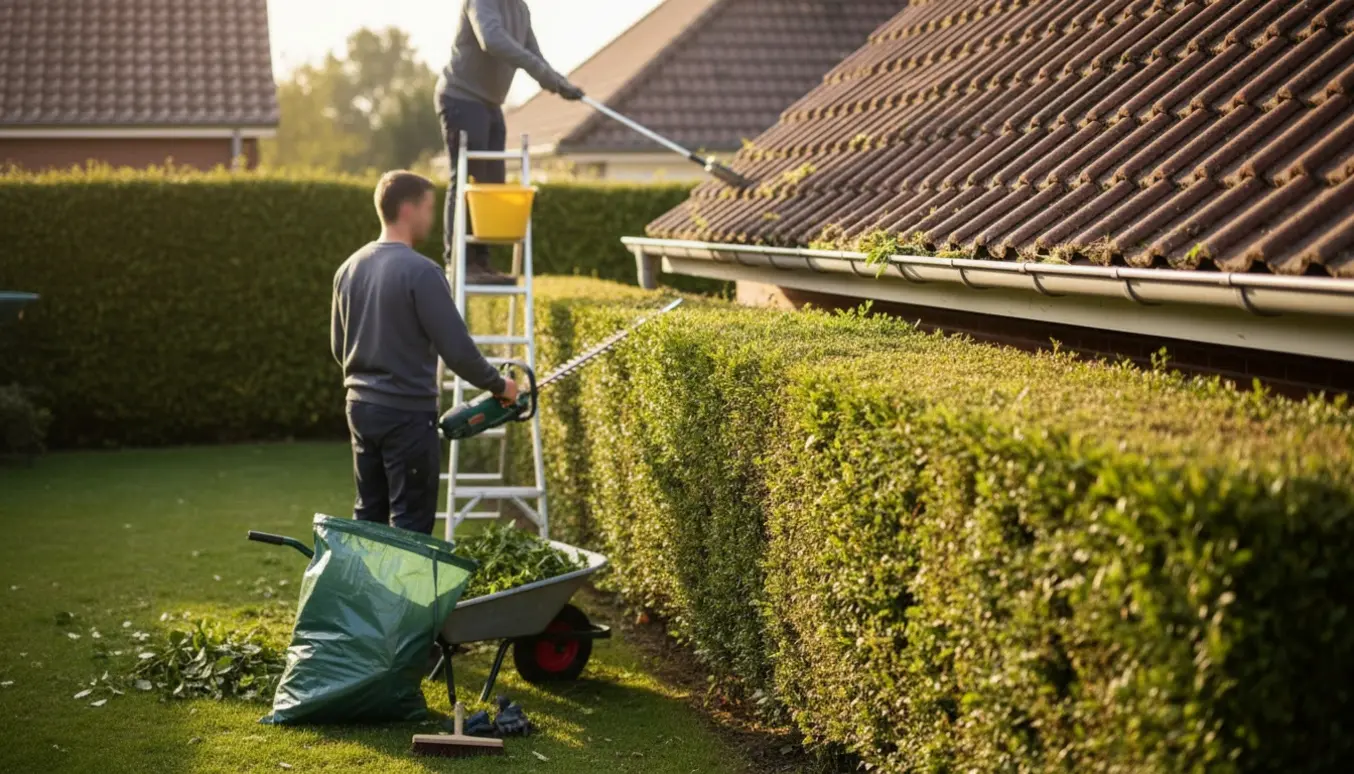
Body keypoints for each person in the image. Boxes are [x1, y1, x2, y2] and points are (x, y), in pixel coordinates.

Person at [331, 170, 520, 535]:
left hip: (360, 408)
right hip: (406, 414)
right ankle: (405, 595)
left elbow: (340, 348)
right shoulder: (422, 272)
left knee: (368, 516)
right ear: (407, 209)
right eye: (429, 208)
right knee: (410, 524)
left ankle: (365, 592)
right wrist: (500, 386)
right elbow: (458, 352)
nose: (432, 218)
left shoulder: (348, 269)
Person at [436, 0, 585, 285]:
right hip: (461, 97)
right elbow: (492, 39)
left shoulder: (520, 9)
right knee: (467, 177)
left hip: (491, 104)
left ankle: (481, 261)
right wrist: (542, 73)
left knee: (491, 184)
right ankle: (459, 261)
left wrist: (558, 83)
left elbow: (533, 55)